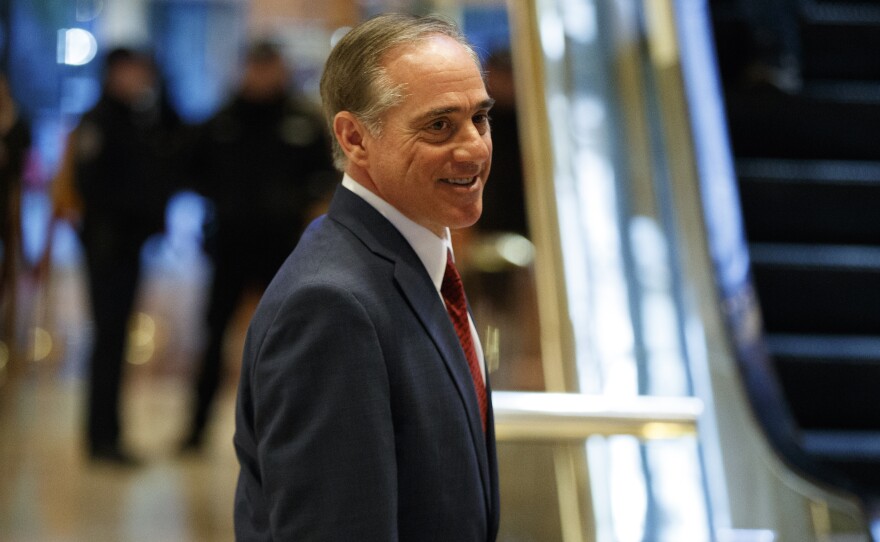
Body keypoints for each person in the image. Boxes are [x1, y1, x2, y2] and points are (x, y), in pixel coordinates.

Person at [233, 13, 499, 540]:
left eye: (480, 118)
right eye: (439, 125)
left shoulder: (416, 262)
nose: (474, 148)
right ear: (355, 138)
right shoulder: (331, 305)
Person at [180, 40, 334, 451]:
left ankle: (291, 433)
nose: (263, 76)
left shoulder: (302, 121)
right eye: (256, 67)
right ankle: (196, 430)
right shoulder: (223, 120)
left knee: (287, 339)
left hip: (284, 248)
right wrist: (223, 201)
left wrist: (301, 208)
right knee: (214, 336)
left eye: (270, 68)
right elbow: (191, 170)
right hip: (229, 245)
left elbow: (325, 175)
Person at [52, 47, 185, 465]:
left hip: (128, 244)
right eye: (133, 71)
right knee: (108, 340)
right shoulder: (100, 121)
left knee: (115, 340)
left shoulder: (138, 117)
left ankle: (108, 433)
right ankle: (101, 438)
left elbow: (176, 137)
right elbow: (92, 187)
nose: (140, 79)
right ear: (113, 74)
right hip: (108, 246)